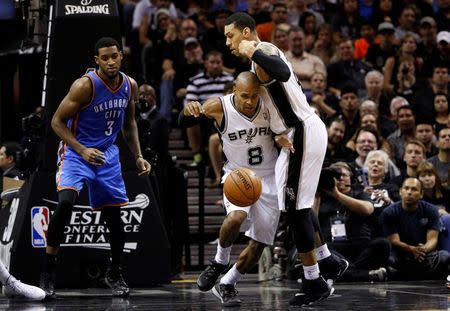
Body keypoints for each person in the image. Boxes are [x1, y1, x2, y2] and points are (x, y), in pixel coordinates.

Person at [223, 12, 348, 307]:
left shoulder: (262, 50)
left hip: (302, 132)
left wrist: (251, 48)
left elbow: (282, 72)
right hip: (296, 132)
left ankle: (314, 280)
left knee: (295, 211)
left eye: (231, 35)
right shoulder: (260, 57)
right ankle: (327, 261)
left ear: (246, 32)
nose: (227, 41)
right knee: (295, 205)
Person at [39, 37, 151, 298]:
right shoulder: (84, 86)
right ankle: (48, 271)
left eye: (114, 56)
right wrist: (82, 149)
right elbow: (56, 122)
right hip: (77, 153)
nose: (111, 61)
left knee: (114, 216)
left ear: (121, 56)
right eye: (105, 57)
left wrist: (138, 156)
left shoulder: (129, 86)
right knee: (66, 202)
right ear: (97, 61)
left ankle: (114, 272)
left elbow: (130, 123)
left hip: (107, 156)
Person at [180, 72, 282, 306]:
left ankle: (227, 283)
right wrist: (188, 110)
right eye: (244, 95)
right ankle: (219, 261)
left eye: (254, 96)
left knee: (259, 244)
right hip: (238, 175)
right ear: (233, 90)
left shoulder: (269, 105)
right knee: (235, 218)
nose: (249, 101)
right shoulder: (219, 106)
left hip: (269, 177)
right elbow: (183, 122)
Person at [381, 177, 450, 280]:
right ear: (400, 191)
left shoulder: (431, 210)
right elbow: (394, 241)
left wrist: (423, 249)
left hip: (423, 255)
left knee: (444, 256)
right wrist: (412, 249)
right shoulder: (389, 212)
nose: (409, 192)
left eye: (414, 189)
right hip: (401, 254)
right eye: (406, 188)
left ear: (421, 194)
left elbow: (432, 239)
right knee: (389, 259)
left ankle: (409, 276)